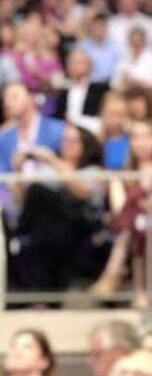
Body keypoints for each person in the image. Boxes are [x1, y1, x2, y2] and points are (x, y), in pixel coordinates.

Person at [90, 120, 152, 309]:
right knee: (135, 225)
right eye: (136, 137)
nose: (142, 142)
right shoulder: (121, 174)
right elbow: (118, 207)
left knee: (138, 223)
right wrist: (146, 197)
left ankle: (113, 274)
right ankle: (141, 292)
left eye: (147, 136)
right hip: (131, 225)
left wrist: (140, 198)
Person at [13, 124, 105, 292]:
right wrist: (17, 169)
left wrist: (53, 160)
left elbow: (84, 192)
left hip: (79, 223)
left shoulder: (92, 171)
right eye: (65, 140)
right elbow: (23, 201)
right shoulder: (47, 171)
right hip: (47, 229)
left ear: (86, 145)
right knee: (39, 207)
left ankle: (18, 233)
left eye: (73, 141)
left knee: (38, 191)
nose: (67, 145)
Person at [0, 82, 64, 174]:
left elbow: (70, 169)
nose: (7, 103)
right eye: (5, 99)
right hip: (14, 186)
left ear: (31, 98)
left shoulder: (57, 129)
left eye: (14, 97)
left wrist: (51, 160)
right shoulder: (3, 138)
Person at [53, 48, 107, 132]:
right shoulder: (63, 91)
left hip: (90, 131)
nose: (76, 66)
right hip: (65, 132)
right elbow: (58, 116)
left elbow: (102, 117)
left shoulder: (100, 89)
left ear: (90, 66)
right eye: (72, 63)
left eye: (80, 63)